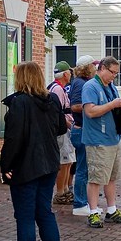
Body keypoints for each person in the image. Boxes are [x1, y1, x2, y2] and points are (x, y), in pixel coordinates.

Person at [0, 61, 66, 241]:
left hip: (26, 166)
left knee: (26, 215)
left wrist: (6, 166)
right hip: (49, 163)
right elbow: (61, 127)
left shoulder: (20, 103)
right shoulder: (52, 99)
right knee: (44, 212)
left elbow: (13, 139)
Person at [81, 56, 121, 227]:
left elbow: (110, 107)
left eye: (116, 74)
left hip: (112, 138)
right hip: (98, 140)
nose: (114, 77)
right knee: (96, 177)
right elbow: (90, 111)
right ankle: (93, 212)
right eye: (112, 72)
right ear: (102, 68)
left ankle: (111, 210)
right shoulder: (90, 86)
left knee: (111, 177)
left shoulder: (110, 86)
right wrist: (113, 104)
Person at [69, 55, 97, 216]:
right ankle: (80, 203)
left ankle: (83, 201)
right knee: (82, 169)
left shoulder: (80, 82)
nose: (95, 68)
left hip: (81, 129)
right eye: (93, 65)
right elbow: (75, 106)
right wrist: (92, 107)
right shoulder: (80, 83)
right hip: (81, 130)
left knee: (84, 168)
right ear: (87, 67)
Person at [49, 61, 76, 205]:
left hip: (65, 129)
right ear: (65, 74)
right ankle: (60, 192)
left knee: (68, 161)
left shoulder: (59, 88)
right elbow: (57, 113)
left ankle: (65, 190)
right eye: (69, 72)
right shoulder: (58, 90)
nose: (71, 74)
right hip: (62, 131)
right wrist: (69, 125)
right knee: (64, 161)